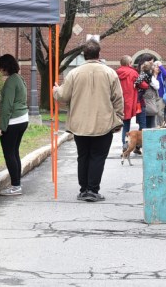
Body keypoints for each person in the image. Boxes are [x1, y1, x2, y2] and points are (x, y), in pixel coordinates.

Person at [53, 39, 124, 202]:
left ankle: (83, 189)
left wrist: (55, 90)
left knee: (83, 156)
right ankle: (93, 189)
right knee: (98, 156)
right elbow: (118, 98)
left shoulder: (74, 73)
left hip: (80, 123)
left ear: (84, 55)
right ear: (99, 54)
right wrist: (119, 117)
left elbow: (63, 96)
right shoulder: (110, 73)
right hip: (103, 122)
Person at [0, 54, 29, 196]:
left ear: (5, 67)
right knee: (14, 153)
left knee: (9, 154)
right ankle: (17, 184)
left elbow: (7, 106)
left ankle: (16, 186)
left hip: (13, 121)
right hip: (22, 119)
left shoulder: (10, 82)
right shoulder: (19, 79)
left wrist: (1, 127)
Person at [116, 55, 139, 151]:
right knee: (126, 124)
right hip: (129, 101)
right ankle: (125, 144)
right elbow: (142, 84)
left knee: (120, 123)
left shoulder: (116, 73)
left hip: (117, 101)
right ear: (129, 63)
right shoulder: (133, 73)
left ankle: (124, 144)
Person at [135, 61, 159, 129]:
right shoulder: (148, 75)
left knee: (143, 123)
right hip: (148, 102)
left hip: (144, 102)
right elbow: (157, 86)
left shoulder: (142, 74)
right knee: (149, 125)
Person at [154, 60, 166, 127]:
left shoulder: (161, 75)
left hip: (160, 96)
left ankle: (161, 125)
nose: (158, 68)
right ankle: (155, 126)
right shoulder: (150, 75)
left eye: (159, 67)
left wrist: (161, 66)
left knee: (160, 113)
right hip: (152, 97)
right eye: (156, 67)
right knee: (154, 113)